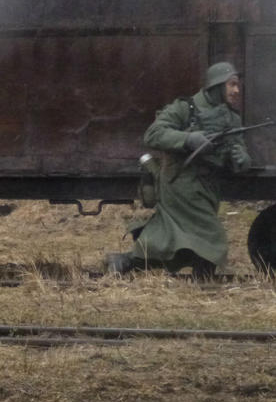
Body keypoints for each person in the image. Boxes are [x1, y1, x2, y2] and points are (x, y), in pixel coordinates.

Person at [106, 61, 251, 278]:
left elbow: (237, 145)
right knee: (210, 233)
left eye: (237, 85)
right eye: (232, 85)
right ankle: (204, 276)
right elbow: (153, 134)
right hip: (180, 182)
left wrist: (242, 159)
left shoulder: (231, 117)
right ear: (216, 85)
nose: (236, 90)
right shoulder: (185, 108)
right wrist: (188, 139)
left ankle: (125, 261)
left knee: (180, 238)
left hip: (207, 188)